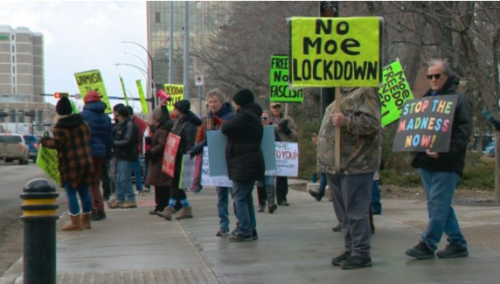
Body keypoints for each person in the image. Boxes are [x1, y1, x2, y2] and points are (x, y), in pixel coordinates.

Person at [405, 59, 472, 260]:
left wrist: (444, 151)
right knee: (440, 205)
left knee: (438, 204)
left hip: (446, 163)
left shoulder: (458, 99)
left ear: (447, 76)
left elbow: (463, 133)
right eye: (430, 76)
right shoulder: (426, 99)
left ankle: (428, 243)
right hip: (425, 163)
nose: (433, 79)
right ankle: (457, 242)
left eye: (437, 76)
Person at [318, 87, 381, 269]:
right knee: (344, 213)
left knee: (355, 211)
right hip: (336, 166)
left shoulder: (364, 92)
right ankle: (351, 248)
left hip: (355, 164)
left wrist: (346, 121)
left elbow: (373, 124)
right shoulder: (341, 93)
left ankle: (361, 252)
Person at [41, 96, 94, 231]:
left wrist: (45, 141)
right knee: (85, 192)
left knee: (71, 192)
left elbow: (57, 144)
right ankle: (86, 221)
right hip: (86, 161)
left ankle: (75, 222)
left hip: (70, 164)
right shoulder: (83, 122)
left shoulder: (61, 127)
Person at [190, 89, 236, 236]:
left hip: (231, 160)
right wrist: (196, 149)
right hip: (217, 160)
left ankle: (240, 223)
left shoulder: (231, 116)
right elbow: (208, 138)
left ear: (222, 102)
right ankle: (223, 225)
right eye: (210, 102)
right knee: (221, 196)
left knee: (236, 195)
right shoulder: (209, 118)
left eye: (215, 101)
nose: (212, 104)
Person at [221, 88, 264, 242]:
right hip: (250, 161)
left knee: (239, 197)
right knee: (246, 197)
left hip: (243, 162)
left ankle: (245, 229)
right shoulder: (253, 115)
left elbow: (226, 128)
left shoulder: (244, 116)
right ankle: (250, 228)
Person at [161, 100, 202, 220]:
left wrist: (187, 156)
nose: (173, 112)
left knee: (176, 183)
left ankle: (171, 208)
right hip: (175, 156)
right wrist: (163, 108)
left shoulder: (188, 124)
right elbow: (167, 122)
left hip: (181, 158)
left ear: (180, 110)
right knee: (175, 183)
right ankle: (185, 208)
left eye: (174, 109)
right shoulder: (180, 122)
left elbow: (190, 143)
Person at [79, 91, 113, 221]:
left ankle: (92, 210)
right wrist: (107, 155)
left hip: (87, 154)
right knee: (95, 183)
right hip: (101, 154)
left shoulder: (82, 116)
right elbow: (110, 139)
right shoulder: (106, 118)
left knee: (87, 183)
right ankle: (100, 209)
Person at [145, 108, 177, 216]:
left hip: (159, 160)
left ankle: (161, 205)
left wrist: (151, 151)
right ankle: (160, 205)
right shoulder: (161, 129)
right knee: (160, 185)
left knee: (161, 186)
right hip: (159, 160)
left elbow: (162, 144)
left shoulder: (162, 130)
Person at [109, 106, 139, 209]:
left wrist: (114, 143)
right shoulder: (120, 125)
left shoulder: (129, 125)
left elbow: (128, 141)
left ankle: (130, 199)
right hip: (120, 154)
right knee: (118, 178)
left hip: (127, 155)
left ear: (121, 115)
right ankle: (120, 199)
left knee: (124, 178)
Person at [270, 102, 297, 206]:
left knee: (282, 176)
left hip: (284, 150)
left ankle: (282, 198)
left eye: (278, 106)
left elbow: (296, 134)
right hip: (271, 149)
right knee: (269, 177)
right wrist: (278, 127)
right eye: (274, 107)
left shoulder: (288, 119)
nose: (276, 108)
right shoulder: (266, 117)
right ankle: (269, 199)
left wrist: (287, 130)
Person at [256, 110, 279, 214]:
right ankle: (261, 203)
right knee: (260, 182)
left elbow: (280, 144)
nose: (262, 120)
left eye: (265, 118)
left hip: (269, 159)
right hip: (259, 159)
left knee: (269, 181)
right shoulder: (256, 129)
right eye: (261, 118)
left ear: (270, 120)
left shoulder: (273, 131)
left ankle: (271, 203)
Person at [126, 106, 147, 194]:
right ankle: (138, 188)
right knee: (133, 169)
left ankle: (139, 188)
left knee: (135, 169)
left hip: (134, 149)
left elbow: (141, 136)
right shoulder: (138, 122)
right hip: (132, 148)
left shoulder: (138, 122)